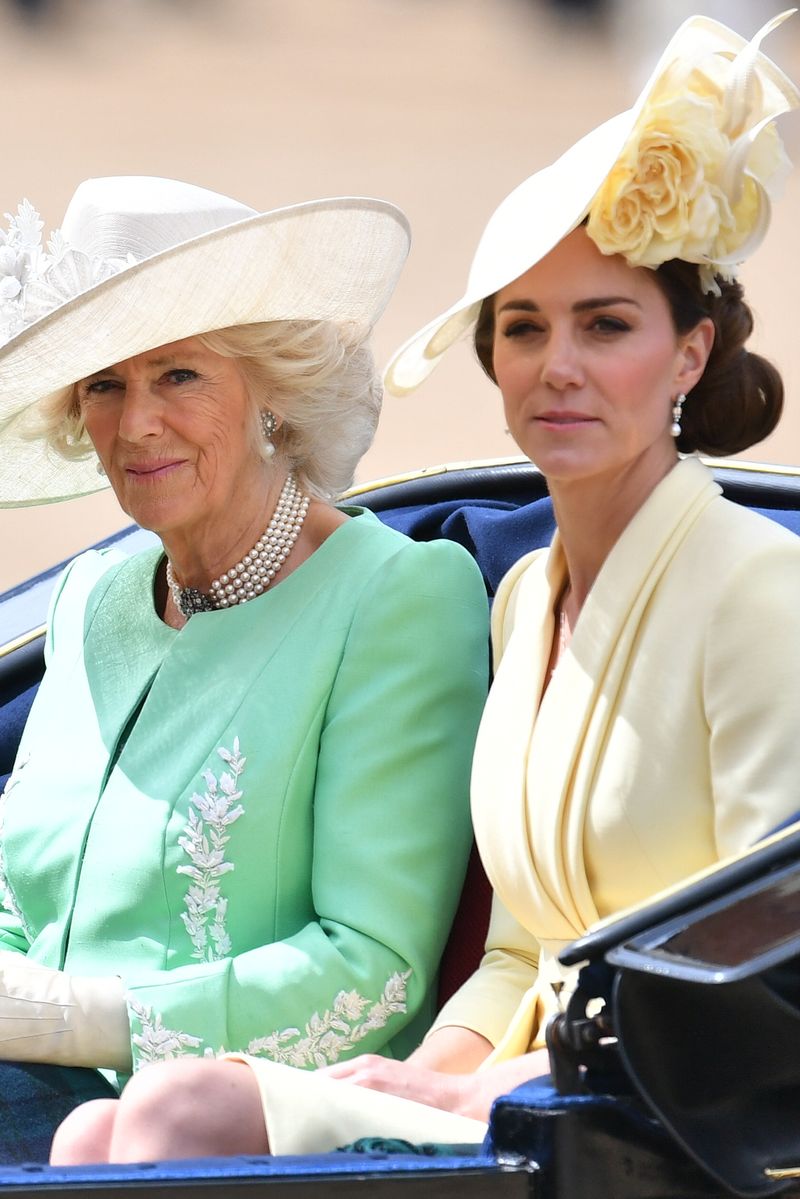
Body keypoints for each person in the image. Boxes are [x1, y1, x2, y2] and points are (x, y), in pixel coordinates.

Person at [50, 11, 800, 1164]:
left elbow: (759, 963)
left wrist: (491, 1084)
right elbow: (516, 954)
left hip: (666, 1120)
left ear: (688, 354)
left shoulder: (757, 587)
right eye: (520, 328)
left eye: (604, 326)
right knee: (105, 1126)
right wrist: (422, 1072)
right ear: (490, 360)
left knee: (162, 1114)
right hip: (508, 1091)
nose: (556, 365)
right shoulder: (524, 600)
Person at [0, 175, 490, 1160]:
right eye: (104, 382)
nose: (134, 422)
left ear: (275, 393)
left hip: (242, 1130)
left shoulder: (398, 597)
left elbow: (372, 971)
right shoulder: (92, 595)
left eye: (177, 374)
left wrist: (73, 1020)